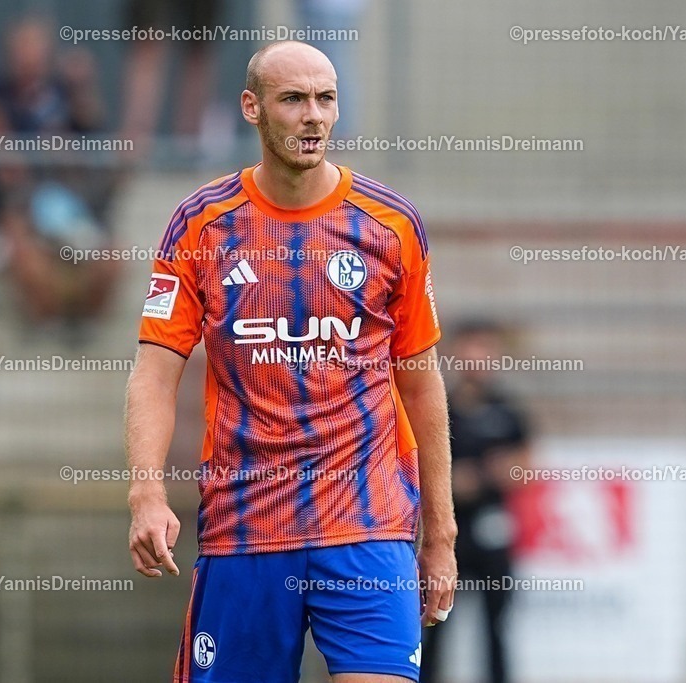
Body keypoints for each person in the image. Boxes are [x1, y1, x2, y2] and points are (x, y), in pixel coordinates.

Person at [125, 41, 457, 682]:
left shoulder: (389, 225)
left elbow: (422, 383)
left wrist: (440, 532)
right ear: (252, 108)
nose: (313, 116)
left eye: (325, 99)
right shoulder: (202, 225)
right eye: (294, 99)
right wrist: (146, 491)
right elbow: (155, 370)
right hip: (246, 529)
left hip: (368, 526)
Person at [419, 320, 532, 683]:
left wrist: (481, 476)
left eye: (485, 349)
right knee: (435, 623)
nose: (477, 358)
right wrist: (451, 480)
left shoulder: (507, 411)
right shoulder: (440, 406)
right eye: (470, 348)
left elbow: (526, 465)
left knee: (496, 626)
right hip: (445, 534)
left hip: (491, 530)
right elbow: (420, 458)